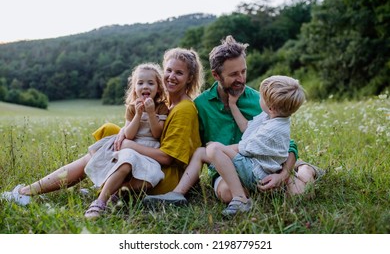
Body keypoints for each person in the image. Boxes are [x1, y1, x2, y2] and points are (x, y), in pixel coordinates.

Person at [0, 47, 204, 212]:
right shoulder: (168, 101)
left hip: (161, 177)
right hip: (146, 159)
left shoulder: (184, 109)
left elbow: (168, 157)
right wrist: (124, 132)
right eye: (168, 70)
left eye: (179, 73)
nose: (171, 76)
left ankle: (25, 192)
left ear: (189, 78)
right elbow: (141, 127)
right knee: (110, 134)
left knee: (100, 154)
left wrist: (128, 144)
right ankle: (31, 191)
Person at [143, 35, 324, 209]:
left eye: (243, 71)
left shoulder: (260, 101)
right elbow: (190, 146)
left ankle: (305, 169)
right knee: (226, 193)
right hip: (224, 170)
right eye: (234, 74)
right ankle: (256, 191)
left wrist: (283, 174)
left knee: (300, 195)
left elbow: (287, 144)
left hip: (263, 166)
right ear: (216, 75)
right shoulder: (200, 106)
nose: (241, 79)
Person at [204, 75, 306, 216]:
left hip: (257, 172)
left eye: (262, 97)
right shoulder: (270, 117)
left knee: (213, 148)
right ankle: (301, 172)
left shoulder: (273, 128)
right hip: (260, 168)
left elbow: (244, 148)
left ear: (271, 108)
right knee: (225, 188)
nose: (259, 98)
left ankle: (241, 200)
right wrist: (233, 105)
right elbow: (247, 127)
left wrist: (218, 151)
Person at [83, 63, 169, 219]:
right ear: (134, 87)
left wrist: (150, 114)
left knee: (150, 179)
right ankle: (100, 202)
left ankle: (114, 193)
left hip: (148, 151)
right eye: (140, 83)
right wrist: (138, 114)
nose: (145, 86)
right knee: (126, 162)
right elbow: (128, 135)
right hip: (130, 148)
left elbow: (157, 134)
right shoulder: (132, 107)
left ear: (158, 88)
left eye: (151, 83)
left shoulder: (161, 108)